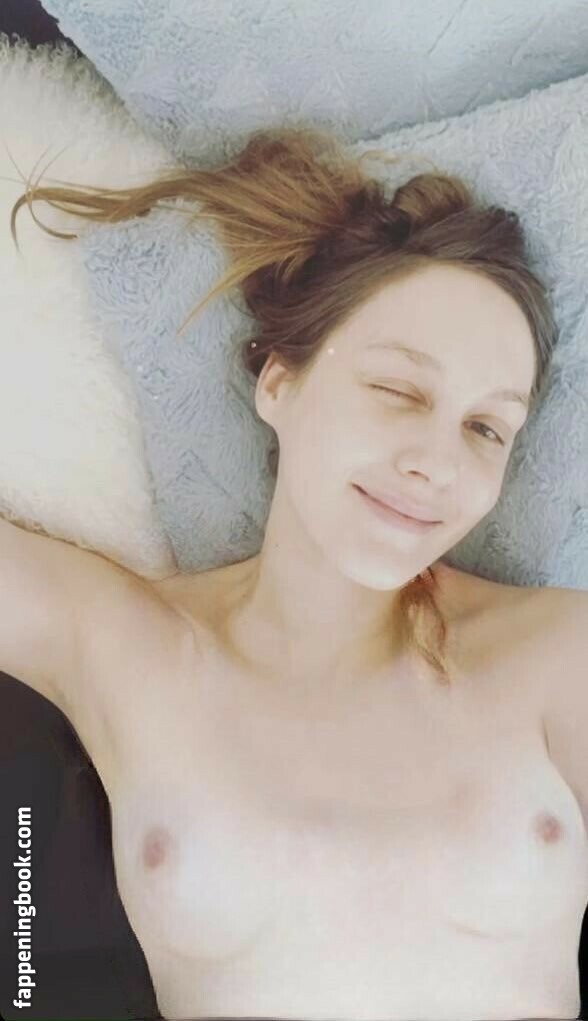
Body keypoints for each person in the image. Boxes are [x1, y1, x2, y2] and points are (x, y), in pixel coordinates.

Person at [4, 126, 588, 1021]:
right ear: (279, 382)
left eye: (485, 428)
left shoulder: (560, 654)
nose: (436, 462)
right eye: (399, 390)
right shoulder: (129, 646)